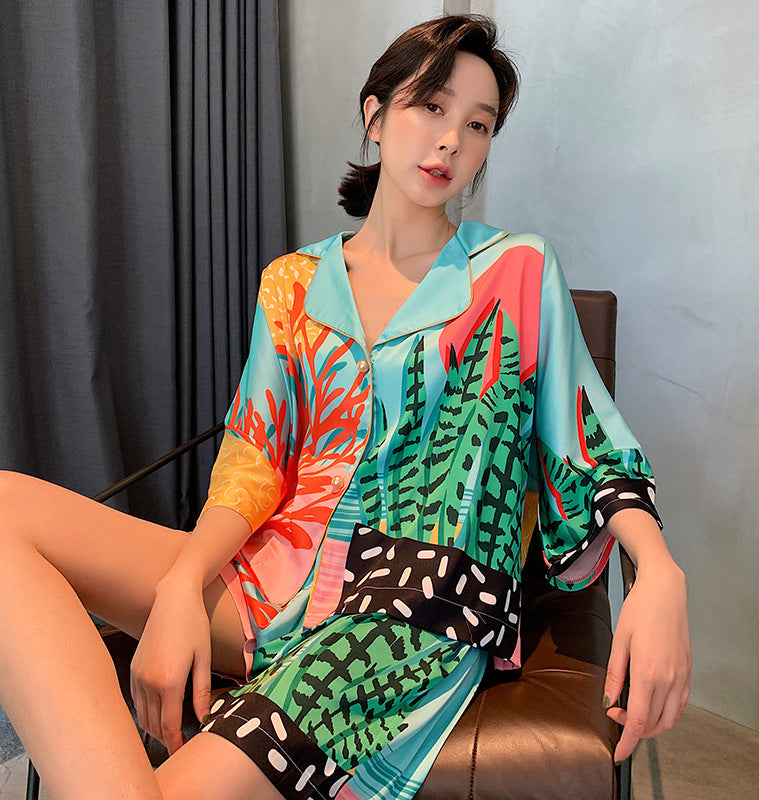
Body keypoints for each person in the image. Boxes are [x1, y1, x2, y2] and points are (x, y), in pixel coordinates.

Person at [0, 14, 690, 800]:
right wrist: (181, 586)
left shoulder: (517, 272)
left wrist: (660, 568)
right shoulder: (292, 281)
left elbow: (588, 445)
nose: (451, 140)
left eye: (478, 124)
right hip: (276, 573)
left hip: (413, 604)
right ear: (376, 113)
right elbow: (254, 460)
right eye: (431, 106)